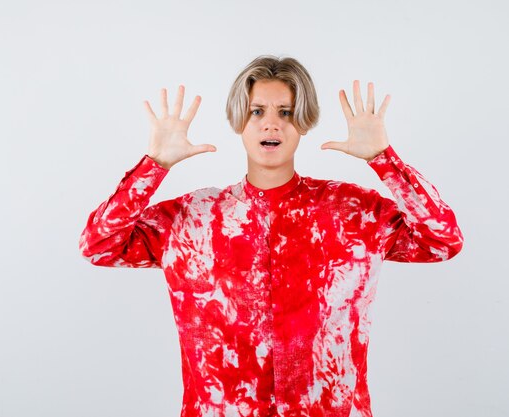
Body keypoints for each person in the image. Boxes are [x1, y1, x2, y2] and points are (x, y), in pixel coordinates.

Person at [79, 55, 463, 417]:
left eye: (286, 113)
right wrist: (155, 165)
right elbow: (98, 245)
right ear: (238, 121)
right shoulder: (190, 218)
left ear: (304, 122)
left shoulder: (353, 212)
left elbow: (442, 240)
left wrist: (384, 158)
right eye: (257, 111)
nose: (271, 124)